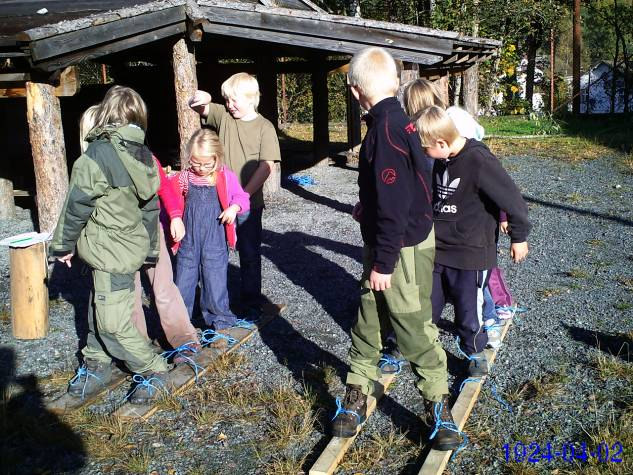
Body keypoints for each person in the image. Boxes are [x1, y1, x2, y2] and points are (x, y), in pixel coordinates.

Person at [330, 47, 460, 451]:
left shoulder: (384, 134)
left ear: (355, 91)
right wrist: (366, 207)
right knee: (368, 319)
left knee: (411, 325)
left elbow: (395, 204)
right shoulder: (399, 123)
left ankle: (439, 408)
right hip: (395, 240)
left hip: (398, 249)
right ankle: (355, 393)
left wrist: (384, 261)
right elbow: (406, 187)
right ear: (394, 83)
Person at [50, 86, 171, 404]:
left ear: (104, 116)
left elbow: (76, 205)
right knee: (95, 305)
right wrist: (151, 249)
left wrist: (62, 245)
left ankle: (152, 368)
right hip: (122, 247)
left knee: (113, 322)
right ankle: (97, 360)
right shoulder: (143, 155)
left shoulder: (97, 155)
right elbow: (150, 208)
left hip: (111, 252)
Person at [412, 106, 531, 377]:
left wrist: (518, 236)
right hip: (439, 250)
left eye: (426, 149)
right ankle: (421, 346)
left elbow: (513, 200)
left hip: (471, 254)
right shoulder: (442, 159)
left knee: (468, 313)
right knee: (428, 304)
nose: (425, 155)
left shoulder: (479, 161)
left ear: (442, 142)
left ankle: (474, 351)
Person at [79, 104, 202, 361]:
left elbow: (165, 189)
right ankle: (139, 346)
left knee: (164, 287)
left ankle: (184, 339)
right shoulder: (90, 167)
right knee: (130, 294)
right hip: (118, 243)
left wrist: (176, 217)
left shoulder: (143, 157)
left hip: (150, 233)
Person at [403, 78, 509, 349]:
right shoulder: (439, 155)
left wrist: (514, 229)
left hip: (472, 244)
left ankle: (486, 327)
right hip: (444, 242)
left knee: (471, 295)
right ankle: (423, 342)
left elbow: (505, 192)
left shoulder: (471, 152)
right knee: (441, 295)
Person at [188, 73, 281, 317]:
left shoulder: (265, 127)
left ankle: (251, 303)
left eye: (234, 100)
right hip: (217, 201)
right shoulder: (224, 117)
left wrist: (244, 196)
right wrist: (205, 97)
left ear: (251, 99)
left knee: (249, 254)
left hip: (249, 205)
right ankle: (216, 305)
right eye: (226, 99)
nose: (229, 105)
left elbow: (266, 166)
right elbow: (200, 106)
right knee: (215, 254)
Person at [172, 128, 251, 331]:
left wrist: (234, 208)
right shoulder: (183, 178)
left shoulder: (225, 177)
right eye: (195, 162)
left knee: (215, 280)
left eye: (206, 164)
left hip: (215, 238)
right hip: (188, 240)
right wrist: (170, 223)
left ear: (217, 158)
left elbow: (243, 198)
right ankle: (181, 324)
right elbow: (170, 201)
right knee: (183, 280)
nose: (200, 168)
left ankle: (220, 320)